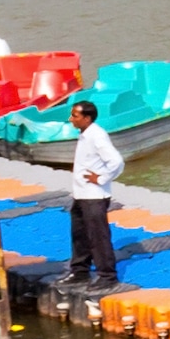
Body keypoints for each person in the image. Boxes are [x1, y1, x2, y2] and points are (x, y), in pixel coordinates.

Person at [66, 98, 123, 286]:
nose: (71, 119)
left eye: (75, 115)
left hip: (94, 196)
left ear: (87, 118)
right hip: (81, 194)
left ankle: (107, 276)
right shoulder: (84, 135)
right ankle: (80, 271)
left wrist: (101, 178)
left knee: (98, 237)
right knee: (79, 235)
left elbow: (116, 161)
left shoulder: (97, 135)